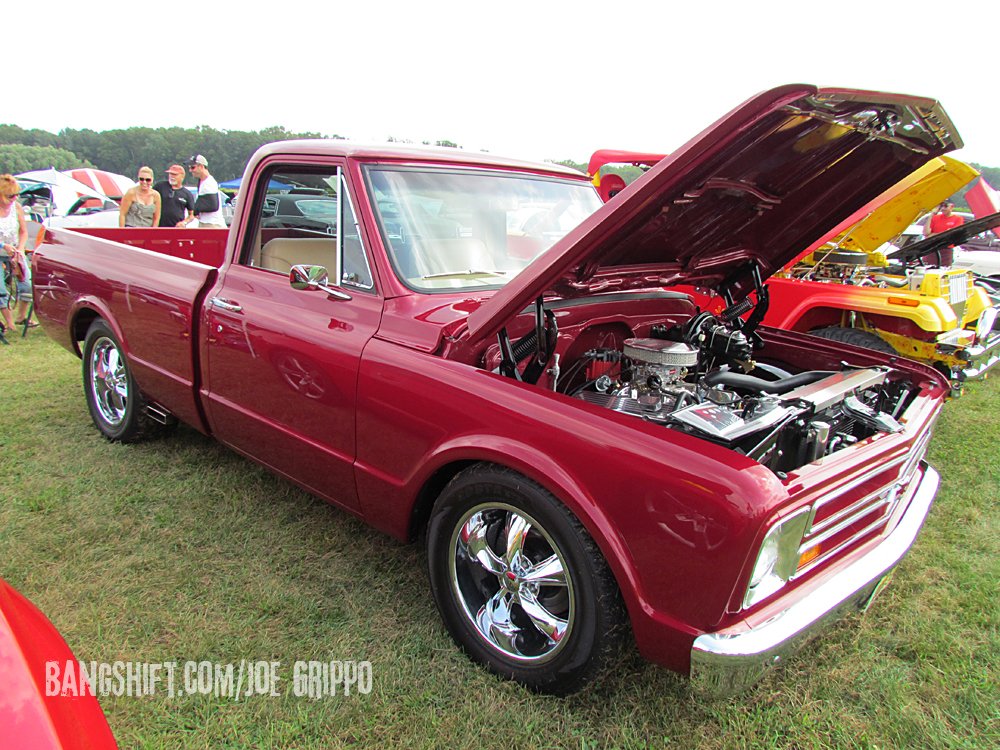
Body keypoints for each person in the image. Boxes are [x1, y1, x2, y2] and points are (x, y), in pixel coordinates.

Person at [0, 174, 34, 331]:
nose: (14, 198)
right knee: (1, 290)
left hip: (15, 252)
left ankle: (21, 316)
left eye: (16, 195)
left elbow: (23, 231)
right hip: (2, 250)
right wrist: (3, 245)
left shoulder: (17, 208)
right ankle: (9, 322)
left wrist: (20, 248)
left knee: (27, 285)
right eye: (10, 196)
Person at [187, 155, 226, 229]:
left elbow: (213, 205)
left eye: (192, 167)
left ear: (201, 166)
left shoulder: (209, 183)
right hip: (205, 222)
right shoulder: (202, 181)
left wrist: (196, 210)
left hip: (212, 224)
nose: (190, 170)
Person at [922, 200, 964, 265]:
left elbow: (951, 234)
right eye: (941, 206)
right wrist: (932, 214)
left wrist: (933, 235)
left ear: (952, 207)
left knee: (945, 268)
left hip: (946, 249)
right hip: (932, 248)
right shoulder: (935, 218)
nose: (943, 209)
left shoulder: (958, 218)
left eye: (945, 206)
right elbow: (926, 233)